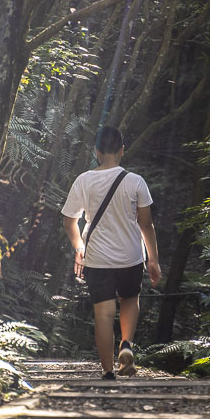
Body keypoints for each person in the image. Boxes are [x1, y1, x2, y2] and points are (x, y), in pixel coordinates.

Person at [61, 126, 161, 379]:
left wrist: (79, 248)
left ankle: (108, 371)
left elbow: (69, 221)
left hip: (97, 259)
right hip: (130, 257)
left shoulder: (83, 180)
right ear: (122, 151)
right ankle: (125, 345)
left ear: (96, 152)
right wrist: (154, 260)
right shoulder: (136, 181)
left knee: (103, 314)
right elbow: (146, 224)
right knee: (130, 299)